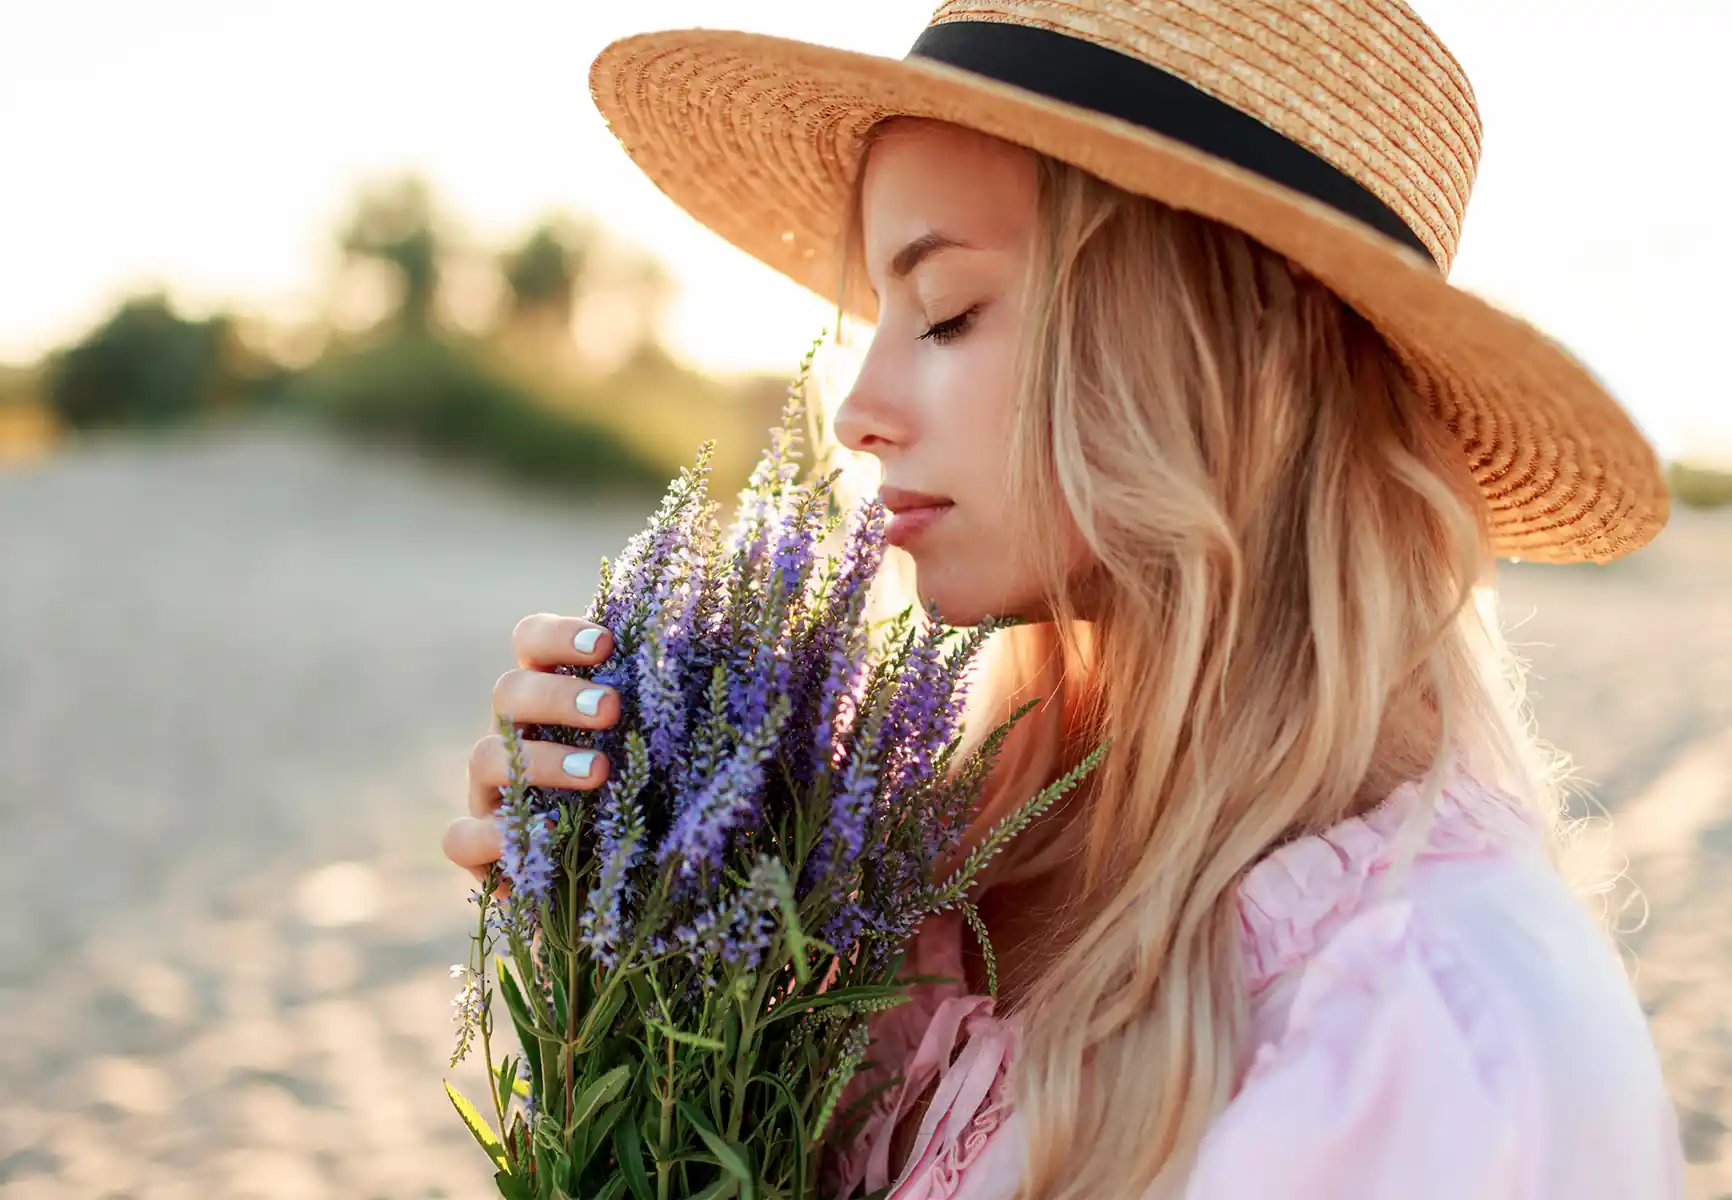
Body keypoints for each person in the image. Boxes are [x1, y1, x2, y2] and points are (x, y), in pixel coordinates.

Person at [443, 2, 1687, 1196]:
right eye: (877, 316)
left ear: (1238, 358)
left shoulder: (1432, 1037)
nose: (856, 409)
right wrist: (626, 954)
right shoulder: (919, 874)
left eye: (947, 313)